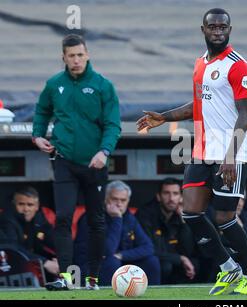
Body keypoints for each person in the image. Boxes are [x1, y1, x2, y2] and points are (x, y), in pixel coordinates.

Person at [136, 8, 247, 295]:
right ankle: (229, 269)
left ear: (230, 30)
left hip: (231, 154)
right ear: (202, 30)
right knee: (190, 213)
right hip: (202, 151)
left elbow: (245, 115)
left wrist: (230, 157)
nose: (218, 32)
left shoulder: (238, 65)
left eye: (223, 27)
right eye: (213, 27)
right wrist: (165, 117)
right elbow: (199, 105)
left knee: (225, 218)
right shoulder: (200, 64)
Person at [32, 34, 121, 290]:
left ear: (88, 54)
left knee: (96, 220)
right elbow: (42, 111)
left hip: (95, 164)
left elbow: (113, 124)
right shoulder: (54, 84)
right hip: (64, 160)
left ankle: (93, 277)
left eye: (80, 54)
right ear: (64, 57)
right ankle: (65, 277)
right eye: (71, 56)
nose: (76, 60)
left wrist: (104, 151)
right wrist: (37, 136)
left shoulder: (103, 86)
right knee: (63, 217)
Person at [74, 181, 161, 287]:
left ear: (128, 201)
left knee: (152, 261)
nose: (119, 204)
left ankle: (153, 295)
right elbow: (107, 251)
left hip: (118, 262)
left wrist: (122, 255)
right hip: (89, 267)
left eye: (123, 200)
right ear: (105, 199)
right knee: (112, 261)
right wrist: (117, 219)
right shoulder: (92, 216)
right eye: (115, 199)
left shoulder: (129, 218)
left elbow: (148, 247)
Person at [136, 178, 199, 284]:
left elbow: (189, 250)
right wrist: (180, 258)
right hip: (151, 260)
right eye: (166, 193)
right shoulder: (145, 214)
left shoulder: (180, 215)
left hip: (173, 259)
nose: (171, 198)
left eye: (175, 194)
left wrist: (183, 221)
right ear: (158, 196)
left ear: (181, 197)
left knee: (195, 263)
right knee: (166, 266)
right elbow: (150, 249)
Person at [1, 187, 59, 280]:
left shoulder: (39, 218)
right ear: (13, 204)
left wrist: (60, 258)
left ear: (37, 206)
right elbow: (13, 249)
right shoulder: (7, 220)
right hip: (9, 267)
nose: (26, 209)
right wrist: (44, 262)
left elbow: (52, 239)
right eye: (21, 204)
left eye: (30, 205)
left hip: (29, 262)